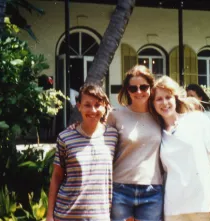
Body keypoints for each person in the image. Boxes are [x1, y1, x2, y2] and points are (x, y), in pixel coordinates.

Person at [149, 76, 210, 221]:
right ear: (153, 104)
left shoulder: (197, 119)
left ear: (176, 98)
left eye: (168, 97)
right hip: (175, 209)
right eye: (159, 99)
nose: (164, 103)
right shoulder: (157, 133)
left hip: (205, 205)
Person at [46, 83, 118, 221]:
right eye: (87, 105)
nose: (93, 110)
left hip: (100, 215)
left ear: (105, 107)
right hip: (67, 215)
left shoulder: (113, 136)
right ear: (79, 106)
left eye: (98, 105)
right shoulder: (65, 137)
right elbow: (56, 176)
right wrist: (49, 215)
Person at [107, 65, 163, 221]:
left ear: (151, 88)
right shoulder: (115, 115)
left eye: (143, 87)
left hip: (153, 189)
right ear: (127, 90)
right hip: (121, 188)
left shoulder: (159, 115)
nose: (139, 92)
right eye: (133, 88)